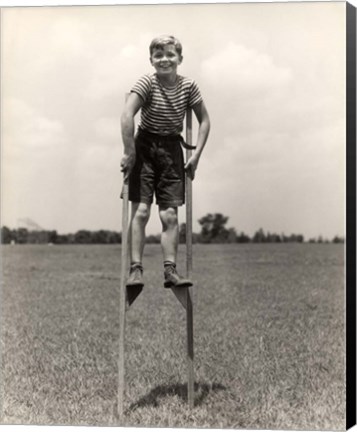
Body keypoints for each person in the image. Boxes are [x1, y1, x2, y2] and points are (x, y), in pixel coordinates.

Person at [120, 35, 210, 290]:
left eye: (170, 55)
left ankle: (170, 271)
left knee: (170, 214)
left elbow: (205, 120)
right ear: (151, 60)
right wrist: (129, 152)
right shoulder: (147, 82)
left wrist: (196, 155)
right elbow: (127, 114)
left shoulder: (188, 86)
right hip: (144, 147)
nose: (165, 60)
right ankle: (135, 270)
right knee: (141, 211)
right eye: (158, 55)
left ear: (180, 58)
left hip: (172, 149)